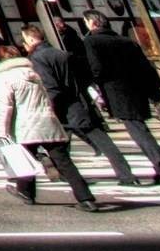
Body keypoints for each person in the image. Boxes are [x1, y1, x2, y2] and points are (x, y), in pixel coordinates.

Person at [0, 43, 99, 210]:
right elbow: (47, 98)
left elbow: (5, 106)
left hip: (24, 125)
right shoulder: (33, 73)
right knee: (64, 161)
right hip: (46, 121)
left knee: (23, 159)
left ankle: (26, 192)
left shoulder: (3, 77)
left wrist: (1, 132)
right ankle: (85, 198)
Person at [23, 25, 137, 185]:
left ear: (31, 39)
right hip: (79, 103)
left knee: (63, 145)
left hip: (62, 108)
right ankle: (126, 175)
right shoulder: (62, 54)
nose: (24, 44)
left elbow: (51, 86)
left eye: (25, 40)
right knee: (99, 142)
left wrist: (47, 107)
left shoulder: (37, 58)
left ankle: (69, 176)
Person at [81, 15, 160, 186]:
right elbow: (145, 67)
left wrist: (95, 87)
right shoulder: (127, 42)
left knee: (139, 132)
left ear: (92, 23)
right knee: (141, 129)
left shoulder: (92, 42)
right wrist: (154, 92)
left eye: (85, 22)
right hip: (138, 89)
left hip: (117, 91)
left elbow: (96, 68)